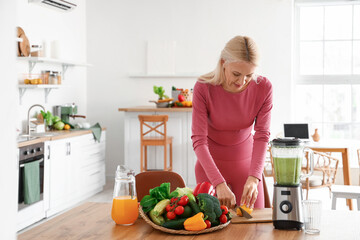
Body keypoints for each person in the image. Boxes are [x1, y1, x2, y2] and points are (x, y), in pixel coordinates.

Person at [191, 36, 272, 209]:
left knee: (254, 230)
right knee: (213, 232)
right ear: (223, 63)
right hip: (209, 170)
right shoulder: (203, 87)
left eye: (249, 75)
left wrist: (254, 177)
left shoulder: (264, 88)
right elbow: (199, 140)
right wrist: (218, 183)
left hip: (248, 170)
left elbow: (262, 136)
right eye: (236, 74)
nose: (242, 82)